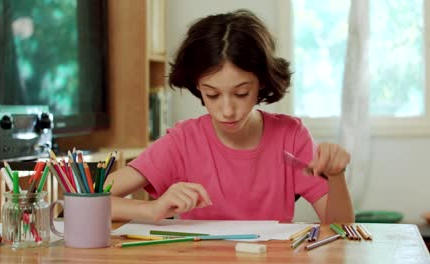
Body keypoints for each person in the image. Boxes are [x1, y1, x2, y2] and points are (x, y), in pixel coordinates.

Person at [105, 9, 354, 223]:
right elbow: (83, 202)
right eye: (212, 95)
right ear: (198, 87)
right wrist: (150, 209)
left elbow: (341, 227)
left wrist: (336, 176)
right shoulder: (184, 141)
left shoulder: (291, 137)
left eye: (241, 93)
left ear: (261, 84)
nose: (227, 110)